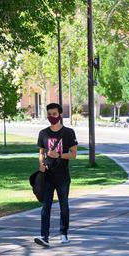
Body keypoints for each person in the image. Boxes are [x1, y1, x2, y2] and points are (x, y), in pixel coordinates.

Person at [34, 103, 78, 247]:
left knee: (63, 206)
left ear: (60, 114)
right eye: (49, 114)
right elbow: (41, 152)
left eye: (54, 114)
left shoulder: (68, 133)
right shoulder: (43, 133)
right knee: (46, 206)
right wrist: (41, 163)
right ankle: (44, 237)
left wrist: (58, 154)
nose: (51, 117)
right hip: (47, 176)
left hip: (62, 176)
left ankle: (64, 234)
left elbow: (73, 154)